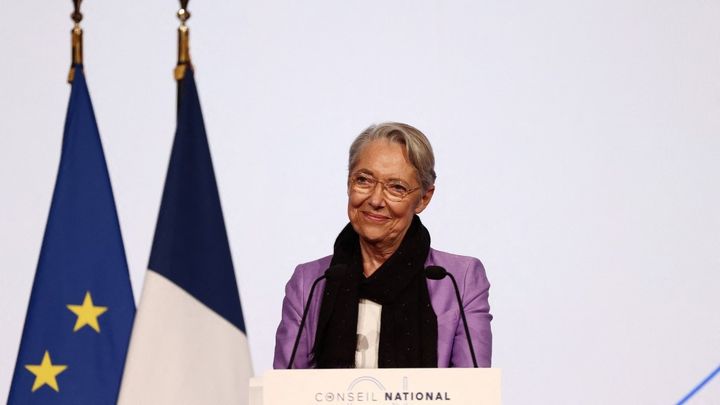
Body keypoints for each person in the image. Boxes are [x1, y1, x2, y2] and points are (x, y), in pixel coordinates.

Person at [273, 122, 492, 369]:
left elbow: (473, 390)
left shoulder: (457, 279)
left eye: (396, 187)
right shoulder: (310, 282)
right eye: (364, 180)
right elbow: (286, 389)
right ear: (348, 183)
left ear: (423, 198)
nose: (376, 199)